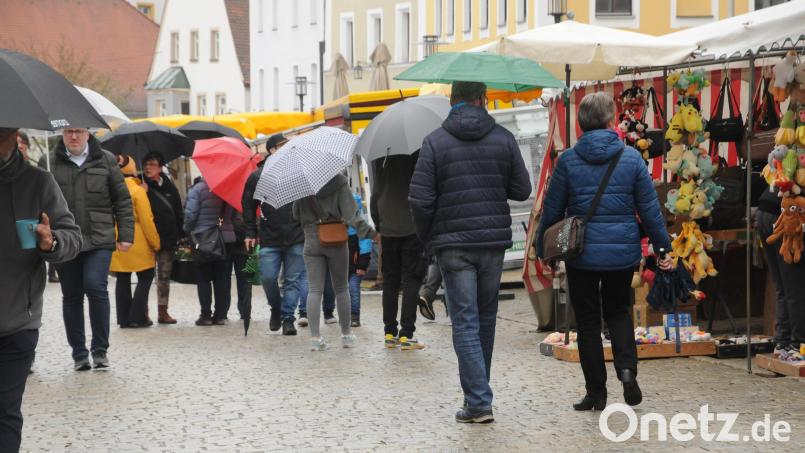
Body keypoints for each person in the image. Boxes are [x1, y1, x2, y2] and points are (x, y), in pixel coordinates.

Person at [535, 92, 674, 412]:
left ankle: (596, 393)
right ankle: (627, 373)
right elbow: (650, 210)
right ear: (611, 121)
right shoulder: (631, 159)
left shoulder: (568, 160)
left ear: (581, 124)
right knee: (618, 311)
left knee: (586, 321)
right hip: (621, 252)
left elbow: (552, 209)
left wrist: (545, 247)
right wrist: (663, 246)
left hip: (580, 253)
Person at [409, 81, 531, 424]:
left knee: (464, 321)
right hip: (492, 243)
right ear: (482, 99)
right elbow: (522, 189)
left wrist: (428, 237)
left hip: (452, 245)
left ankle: (477, 400)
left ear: (452, 101)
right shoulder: (504, 138)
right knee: (485, 319)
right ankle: (478, 395)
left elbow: (419, 200)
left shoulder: (434, 142)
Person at [0, 127, 81, 452]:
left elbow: (71, 236)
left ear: (15, 135)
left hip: (18, 319)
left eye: (1, 134)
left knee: (5, 411)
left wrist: (52, 241)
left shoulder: (38, 182)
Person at [43, 128, 134, 371]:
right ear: (62, 133)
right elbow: (37, 199)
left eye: (79, 132)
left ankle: (100, 349)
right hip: (65, 239)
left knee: (96, 286)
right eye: (69, 132)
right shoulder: (50, 162)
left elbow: (122, 200)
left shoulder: (106, 159)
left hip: (99, 238)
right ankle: (79, 353)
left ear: (88, 134)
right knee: (72, 295)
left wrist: (125, 234)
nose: (74, 137)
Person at [293, 173, 377, 351]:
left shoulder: (301, 183)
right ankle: (346, 335)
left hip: (311, 239)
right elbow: (352, 216)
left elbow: (295, 214)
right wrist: (372, 234)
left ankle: (315, 338)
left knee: (314, 289)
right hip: (336, 238)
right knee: (341, 288)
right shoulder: (338, 181)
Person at [243, 135, 306, 335]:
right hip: (270, 237)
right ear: (271, 150)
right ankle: (276, 308)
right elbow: (248, 206)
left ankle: (288, 318)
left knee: (292, 280)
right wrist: (250, 231)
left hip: (296, 235)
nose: (287, 149)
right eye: (282, 146)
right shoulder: (257, 177)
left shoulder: (296, 174)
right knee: (268, 278)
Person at [371, 153, 429, 350]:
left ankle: (389, 333)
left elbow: (375, 195)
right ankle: (407, 334)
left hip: (388, 230)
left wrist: (380, 224)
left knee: (390, 282)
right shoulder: (416, 157)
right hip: (412, 228)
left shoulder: (382, 158)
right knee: (411, 280)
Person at [110, 156, 161, 328]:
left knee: (122, 278)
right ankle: (138, 316)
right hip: (137, 241)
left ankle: (123, 318)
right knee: (146, 277)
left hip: (117, 241)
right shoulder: (138, 191)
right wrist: (155, 243)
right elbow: (147, 219)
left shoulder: (110, 189)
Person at [757, 189, 805, 359]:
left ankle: (782, 342)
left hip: (764, 211)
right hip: (784, 217)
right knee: (795, 285)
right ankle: (797, 343)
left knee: (783, 285)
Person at [184, 178, 237, 326]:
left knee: (203, 278)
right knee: (222, 278)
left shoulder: (198, 189)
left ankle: (205, 316)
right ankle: (220, 315)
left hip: (204, 239)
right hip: (226, 238)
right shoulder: (228, 189)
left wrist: (187, 231)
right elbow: (231, 214)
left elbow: (190, 215)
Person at [142, 152, 184, 324]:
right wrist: (142, 192)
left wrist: (180, 234)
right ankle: (142, 312)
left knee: (164, 277)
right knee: (144, 277)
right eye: (146, 164)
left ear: (160, 167)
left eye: (152, 164)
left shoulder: (169, 186)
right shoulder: (139, 184)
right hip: (146, 240)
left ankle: (162, 312)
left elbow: (178, 211)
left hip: (167, 240)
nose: (147, 167)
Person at [348, 193, 373, 327]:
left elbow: (366, 245)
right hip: (341, 266)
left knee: (353, 289)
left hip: (356, 266)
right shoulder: (341, 225)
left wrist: (362, 265)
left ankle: (355, 316)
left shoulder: (360, 226)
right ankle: (346, 316)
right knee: (344, 292)